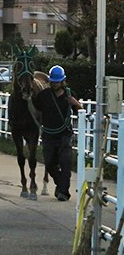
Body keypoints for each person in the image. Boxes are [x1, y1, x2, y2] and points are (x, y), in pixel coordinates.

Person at [32, 65, 82, 201]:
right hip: (48, 135)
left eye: (57, 81)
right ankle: (60, 184)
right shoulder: (43, 95)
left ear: (63, 81)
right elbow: (35, 108)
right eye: (53, 81)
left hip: (64, 134)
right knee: (49, 163)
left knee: (65, 163)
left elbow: (80, 112)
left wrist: (75, 103)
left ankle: (63, 193)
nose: (55, 84)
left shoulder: (70, 94)